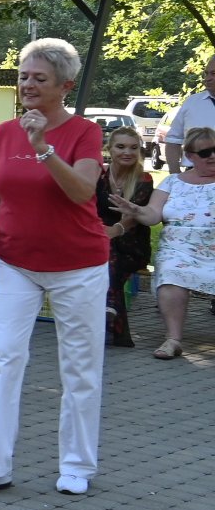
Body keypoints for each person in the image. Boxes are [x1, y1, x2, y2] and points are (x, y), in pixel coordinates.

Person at [0, 38, 109, 497]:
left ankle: (77, 465)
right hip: (15, 262)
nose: (27, 84)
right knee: (3, 358)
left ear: (64, 85)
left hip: (78, 265)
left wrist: (43, 146)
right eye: (24, 75)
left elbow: (82, 191)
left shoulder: (83, 132)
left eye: (38, 78)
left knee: (80, 367)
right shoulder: (3, 132)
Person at [110, 126, 215, 360]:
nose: (213, 156)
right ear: (191, 156)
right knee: (170, 273)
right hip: (179, 249)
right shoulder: (172, 182)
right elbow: (153, 215)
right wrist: (136, 210)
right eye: (206, 152)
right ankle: (173, 339)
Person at [96, 126, 153, 348]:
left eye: (133, 147)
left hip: (132, 242)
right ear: (109, 149)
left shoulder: (144, 179)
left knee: (109, 256)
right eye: (120, 147)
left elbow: (133, 216)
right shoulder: (99, 175)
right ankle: (115, 328)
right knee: (108, 256)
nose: (127, 152)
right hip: (103, 239)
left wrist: (114, 230)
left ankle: (109, 307)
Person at [162, 55, 215, 173]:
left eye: (213, 74)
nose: (207, 78)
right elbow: (173, 139)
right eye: (206, 74)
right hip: (194, 176)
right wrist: (175, 174)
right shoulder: (192, 103)